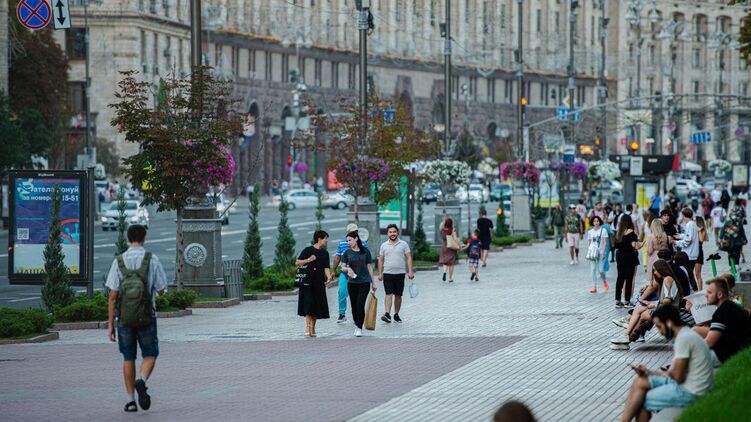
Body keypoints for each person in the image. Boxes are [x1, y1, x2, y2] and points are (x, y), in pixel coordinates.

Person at [106, 225, 168, 413]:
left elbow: (112, 295)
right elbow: (161, 289)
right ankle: (141, 379)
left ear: (128, 238)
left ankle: (131, 401)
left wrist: (111, 324)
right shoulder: (152, 259)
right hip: (147, 316)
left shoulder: (119, 261)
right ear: (144, 238)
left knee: (128, 357)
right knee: (150, 354)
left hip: (124, 318)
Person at [619, 305, 714, 421]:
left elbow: (677, 377)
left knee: (644, 399)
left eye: (659, 327)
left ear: (669, 323)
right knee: (640, 380)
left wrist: (656, 374)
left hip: (693, 391)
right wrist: (649, 372)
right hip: (690, 383)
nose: (660, 332)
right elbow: (674, 373)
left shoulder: (684, 339)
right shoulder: (685, 334)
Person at [692, 277, 751, 366]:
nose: (706, 295)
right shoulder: (731, 305)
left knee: (691, 358)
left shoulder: (722, 312)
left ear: (719, 295)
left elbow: (709, 342)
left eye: (709, 292)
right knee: (695, 330)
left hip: (727, 356)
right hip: (739, 348)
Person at [296, 230, 332, 337]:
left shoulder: (325, 253)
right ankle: (307, 326)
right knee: (308, 303)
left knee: (316, 305)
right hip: (307, 282)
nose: (327, 240)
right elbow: (297, 262)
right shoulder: (308, 250)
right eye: (325, 238)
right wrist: (309, 259)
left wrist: (329, 277)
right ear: (319, 239)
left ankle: (313, 327)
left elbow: (326, 267)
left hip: (319, 282)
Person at [330, 224, 369, 324]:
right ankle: (342, 314)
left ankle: (358, 314)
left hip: (360, 273)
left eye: (356, 231)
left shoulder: (363, 244)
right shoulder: (342, 244)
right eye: (352, 232)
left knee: (358, 296)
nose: (354, 233)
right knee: (342, 292)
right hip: (345, 273)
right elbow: (337, 258)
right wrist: (333, 270)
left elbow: (367, 260)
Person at [341, 230, 377, 337]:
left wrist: (373, 283)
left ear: (356, 238)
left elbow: (369, 267)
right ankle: (356, 325)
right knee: (354, 305)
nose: (348, 242)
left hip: (364, 282)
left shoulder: (366, 251)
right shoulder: (347, 252)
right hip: (352, 283)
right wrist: (347, 269)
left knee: (360, 304)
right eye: (347, 241)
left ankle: (359, 327)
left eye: (350, 240)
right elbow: (342, 267)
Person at [378, 224, 414, 324]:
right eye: (390, 232)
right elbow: (380, 260)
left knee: (398, 295)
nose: (392, 234)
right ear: (387, 234)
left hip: (400, 273)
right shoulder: (384, 245)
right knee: (388, 293)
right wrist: (380, 273)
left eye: (394, 232)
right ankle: (387, 314)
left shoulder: (404, 244)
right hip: (387, 273)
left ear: (397, 232)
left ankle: (396, 314)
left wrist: (410, 271)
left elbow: (409, 257)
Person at [615, 214, 641, 307]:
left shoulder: (618, 233)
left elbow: (616, 246)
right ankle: (627, 301)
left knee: (620, 279)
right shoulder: (631, 233)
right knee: (629, 279)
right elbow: (634, 246)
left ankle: (618, 301)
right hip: (629, 258)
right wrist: (640, 245)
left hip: (620, 258)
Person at [674, 207, 699, 290]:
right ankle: (694, 288)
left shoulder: (689, 224)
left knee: (689, 273)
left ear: (683, 215)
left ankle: (693, 289)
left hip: (689, 253)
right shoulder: (693, 224)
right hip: (693, 253)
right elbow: (689, 236)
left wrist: (676, 243)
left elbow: (688, 240)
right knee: (690, 272)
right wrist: (681, 236)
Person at [587, 216, 610, 294]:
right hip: (592, 253)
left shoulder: (603, 230)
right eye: (594, 221)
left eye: (597, 221)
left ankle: (604, 281)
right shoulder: (590, 232)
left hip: (600, 252)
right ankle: (594, 286)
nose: (596, 222)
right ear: (592, 222)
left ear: (600, 222)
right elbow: (589, 243)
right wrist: (589, 252)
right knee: (593, 269)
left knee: (601, 270)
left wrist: (603, 253)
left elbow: (604, 242)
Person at [439, 218, 460, 282]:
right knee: (451, 263)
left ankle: (444, 272)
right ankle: (450, 278)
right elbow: (455, 239)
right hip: (451, 247)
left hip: (444, 247)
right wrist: (459, 245)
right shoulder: (452, 229)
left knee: (445, 262)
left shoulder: (442, 230)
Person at [694, 217, 708, 290]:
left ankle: (700, 290)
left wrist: (699, 231)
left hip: (699, 252)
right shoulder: (693, 230)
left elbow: (701, 240)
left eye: (694, 221)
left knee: (697, 273)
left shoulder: (703, 231)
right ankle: (695, 288)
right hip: (692, 252)